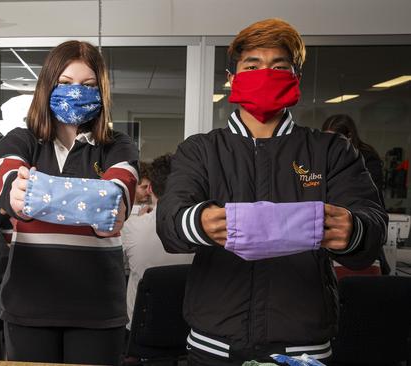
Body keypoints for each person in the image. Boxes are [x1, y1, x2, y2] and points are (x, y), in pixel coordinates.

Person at [157, 18, 387, 365]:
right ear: (232, 77)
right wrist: (200, 221)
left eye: (279, 66)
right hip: (213, 346)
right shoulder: (201, 150)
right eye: (252, 65)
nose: (266, 72)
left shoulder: (331, 150)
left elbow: (372, 226)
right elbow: (170, 223)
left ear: (294, 78)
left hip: (302, 347)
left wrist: (354, 230)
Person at [0, 40, 139, 365]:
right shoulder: (21, 139)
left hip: (97, 310)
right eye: (65, 83)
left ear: (101, 91)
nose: (77, 92)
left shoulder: (119, 145)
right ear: (48, 85)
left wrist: (38, 195)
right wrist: (92, 200)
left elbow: (114, 207)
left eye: (88, 85)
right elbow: (10, 194)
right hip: (28, 306)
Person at [122, 153, 194, 330]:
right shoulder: (200, 231)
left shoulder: (131, 227)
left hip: (140, 332)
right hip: (187, 330)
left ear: (150, 189)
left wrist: (135, 221)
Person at [323, 114, 391, 275]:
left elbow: (369, 201)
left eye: (335, 140)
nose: (331, 147)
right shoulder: (323, 156)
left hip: (356, 222)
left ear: (349, 136)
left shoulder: (367, 158)